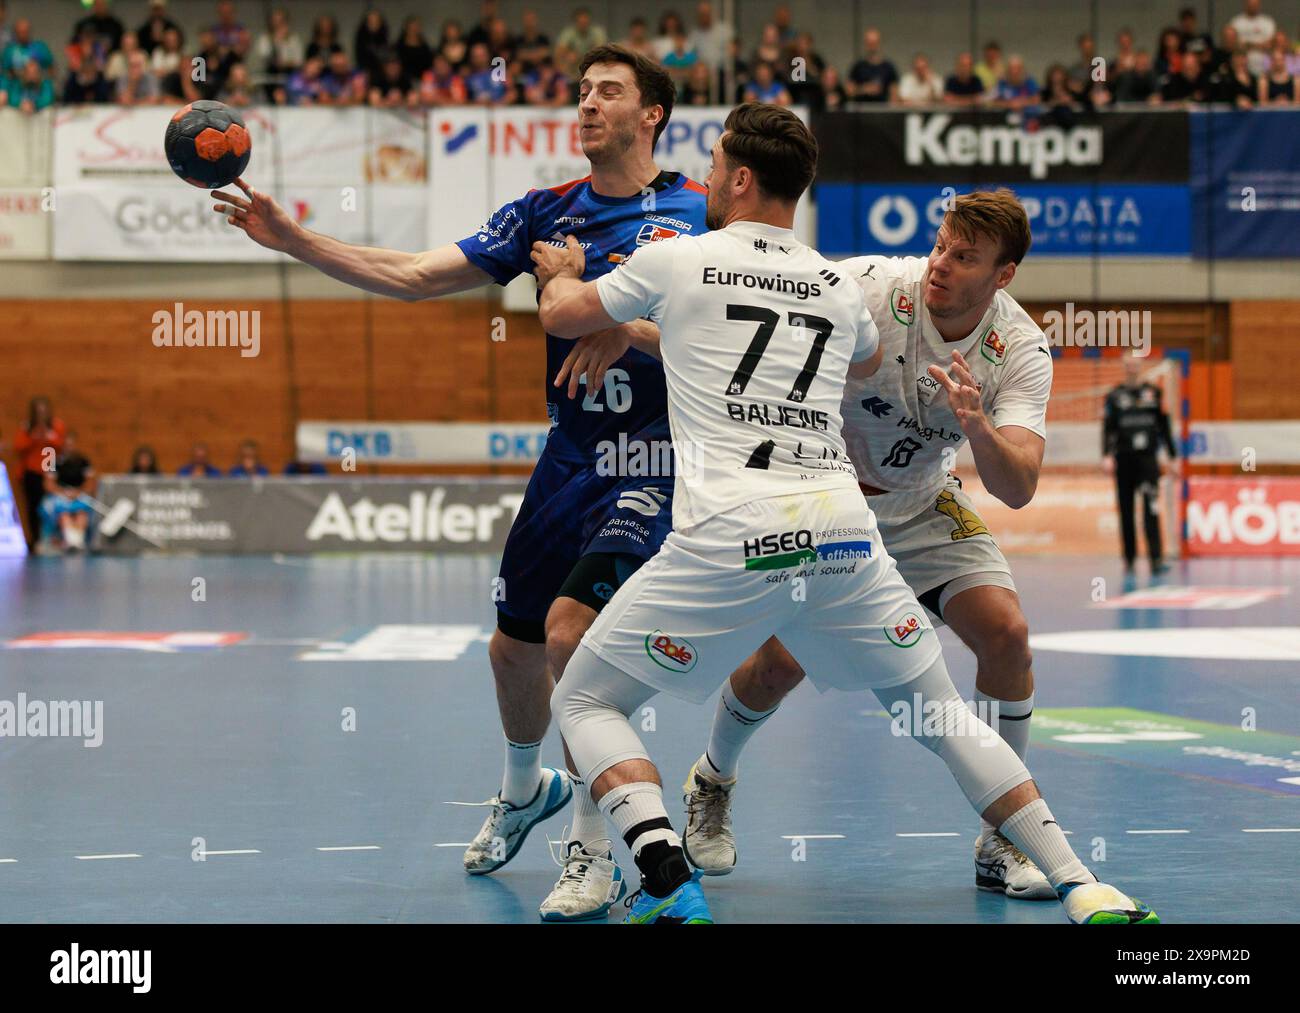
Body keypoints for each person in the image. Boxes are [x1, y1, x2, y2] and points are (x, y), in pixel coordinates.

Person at [537, 106, 1158, 927]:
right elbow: (862, 355)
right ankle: (1085, 884)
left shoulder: (676, 256)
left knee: (585, 698)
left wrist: (558, 270)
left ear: (742, 179)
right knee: (936, 713)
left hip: (756, 526)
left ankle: (663, 880)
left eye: (716, 164)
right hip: (842, 529)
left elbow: (563, 314)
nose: (707, 178)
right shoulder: (842, 280)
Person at [210, 44, 707, 923]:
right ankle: (526, 790)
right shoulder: (547, 214)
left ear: (652, 115)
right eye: (581, 92)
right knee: (512, 648)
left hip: (658, 463)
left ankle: (594, 852)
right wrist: (295, 241)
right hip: (570, 460)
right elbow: (412, 277)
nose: (587, 104)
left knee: (572, 638)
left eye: (609, 93)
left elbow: (736, 348)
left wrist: (617, 317)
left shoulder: (702, 215)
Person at [1103, 358, 1177, 576]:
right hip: (1124, 460)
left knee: (1151, 508)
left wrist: (1172, 457)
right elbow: (1108, 428)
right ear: (1124, 368)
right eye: (1128, 365)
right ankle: (1129, 558)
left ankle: (1156, 558)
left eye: (1135, 364)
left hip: (1147, 462)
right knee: (1126, 510)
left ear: (1141, 367)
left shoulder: (1153, 393)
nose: (1132, 368)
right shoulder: (1115, 396)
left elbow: (1164, 427)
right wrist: (1106, 455)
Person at [14, 396, 65, 549]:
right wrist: (33, 437)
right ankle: (36, 539)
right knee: (33, 507)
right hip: (32, 472)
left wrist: (48, 436)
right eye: (38, 411)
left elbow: (60, 444)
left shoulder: (56, 425)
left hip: (49, 470)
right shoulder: (28, 427)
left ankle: (52, 539)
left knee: (50, 505)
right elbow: (19, 447)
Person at [39, 431, 97, 554]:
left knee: (82, 513)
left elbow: (91, 483)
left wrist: (78, 492)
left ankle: (78, 542)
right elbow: (48, 484)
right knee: (63, 513)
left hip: (79, 496)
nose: (69, 447)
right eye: (66, 444)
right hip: (61, 496)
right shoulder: (53, 461)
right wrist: (63, 492)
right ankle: (70, 541)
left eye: (71, 444)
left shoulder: (83, 461)